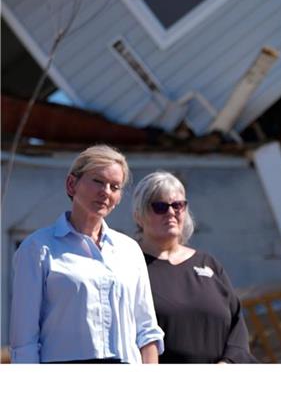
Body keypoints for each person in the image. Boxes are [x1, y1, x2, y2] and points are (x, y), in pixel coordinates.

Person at [9, 144, 164, 363]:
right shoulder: (37, 248)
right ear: (72, 184)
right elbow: (24, 340)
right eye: (98, 181)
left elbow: (147, 330)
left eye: (115, 186)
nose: (106, 192)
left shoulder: (130, 250)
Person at [133, 171, 257, 363]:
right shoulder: (129, 265)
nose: (171, 212)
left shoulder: (209, 264)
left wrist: (228, 363)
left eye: (178, 205)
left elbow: (237, 327)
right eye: (159, 206)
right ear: (139, 215)